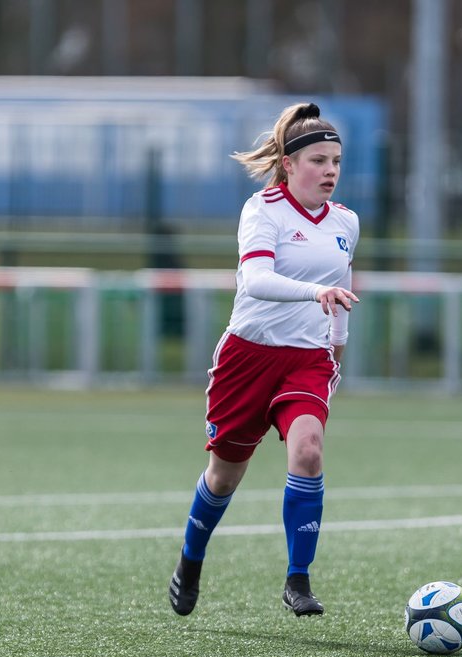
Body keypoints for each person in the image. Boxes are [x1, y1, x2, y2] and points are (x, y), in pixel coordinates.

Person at [168, 102, 359, 618]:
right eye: (319, 160)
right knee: (224, 477)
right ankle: (191, 560)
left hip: (307, 361)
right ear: (289, 164)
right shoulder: (263, 210)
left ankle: (298, 579)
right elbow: (255, 280)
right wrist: (315, 292)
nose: (331, 171)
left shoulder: (346, 223)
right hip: (247, 359)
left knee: (309, 452)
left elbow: (341, 295)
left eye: (337, 161)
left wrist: (335, 355)